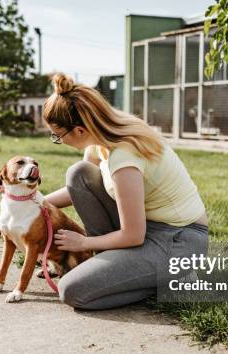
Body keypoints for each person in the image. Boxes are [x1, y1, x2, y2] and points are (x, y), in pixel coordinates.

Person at [43, 73, 208, 310]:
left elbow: (133, 235)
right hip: (148, 228)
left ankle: (170, 277)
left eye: (58, 136)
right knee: (78, 173)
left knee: (71, 290)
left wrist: (83, 243)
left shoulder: (124, 156)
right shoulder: (102, 136)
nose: (58, 140)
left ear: (79, 130)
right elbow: (80, 188)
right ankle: (127, 271)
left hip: (179, 241)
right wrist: (35, 203)